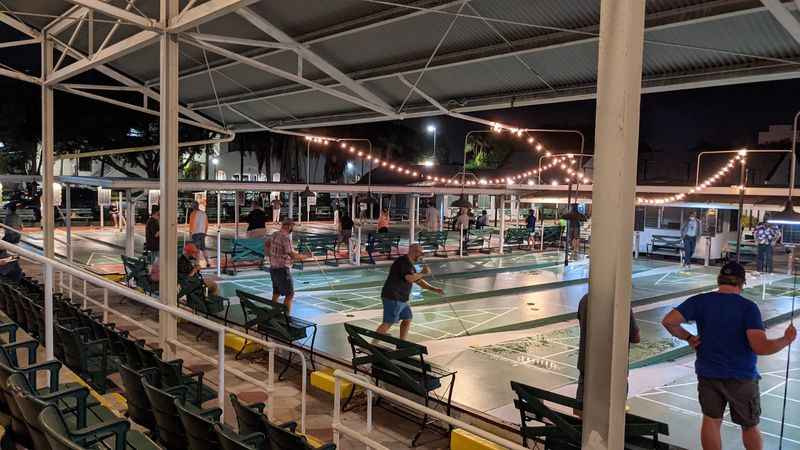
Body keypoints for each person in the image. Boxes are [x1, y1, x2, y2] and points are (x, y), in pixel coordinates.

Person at [662, 261, 796, 450]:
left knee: (711, 421)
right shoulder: (748, 308)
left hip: (708, 374)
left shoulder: (700, 301)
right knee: (749, 426)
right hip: (741, 377)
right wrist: (786, 339)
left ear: (719, 280)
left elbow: (669, 321)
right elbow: (761, 347)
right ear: (742, 283)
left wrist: (689, 337)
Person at [575, 293, 640, 416]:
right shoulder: (621, 301)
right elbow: (635, 337)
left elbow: (582, 325)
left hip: (587, 363)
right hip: (614, 366)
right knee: (613, 413)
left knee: (582, 411)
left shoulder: (584, 299)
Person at [375, 244, 444, 340]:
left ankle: (402, 343)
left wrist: (434, 289)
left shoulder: (410, 265)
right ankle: (372, 346)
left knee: (407, 318)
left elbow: (418, 280)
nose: (422, 255)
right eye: (421, 253)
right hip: (393, 296)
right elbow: (410, 278)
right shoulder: (403, 262)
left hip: (403, 298)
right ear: (414, 252)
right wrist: (423, 273)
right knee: (388, 322)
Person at [265, 219, 301, 312]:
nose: (292, 228)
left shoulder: (274, 234)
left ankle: (272, 314)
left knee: (276, 293)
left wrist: (270, 255)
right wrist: (305, 256)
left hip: (273, 268)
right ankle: (286, 319)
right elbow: (292, 255)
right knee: (290, 295)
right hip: (282, 269)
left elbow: (267, 244)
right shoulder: (285, 237)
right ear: (289, 226)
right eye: (292, 226)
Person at [188, 201, 210, 267]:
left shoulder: (193, 214)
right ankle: (208, 262)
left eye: (191, 205)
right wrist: (205, 233)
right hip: (202, 233)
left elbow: (192, 224)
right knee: (203, 248)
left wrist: (190, 233)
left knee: (196, 249)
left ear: (193, 206)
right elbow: (206, 224)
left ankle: (197, 264)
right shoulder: (204, 213)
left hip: (196, 233)